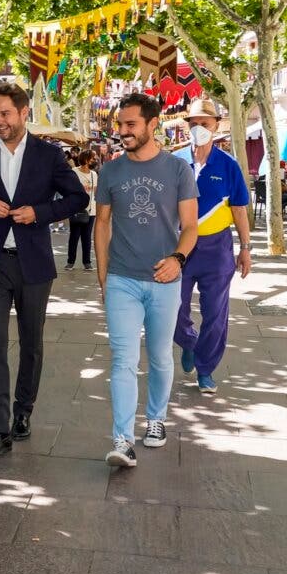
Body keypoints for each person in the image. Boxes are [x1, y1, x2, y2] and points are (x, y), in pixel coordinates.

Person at [0, 83, 88, 455]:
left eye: (5, 114)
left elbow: (78, 197)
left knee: (32, 343)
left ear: (24, 113)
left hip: (34, 264)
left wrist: (40, 213)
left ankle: (22, 411)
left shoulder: (49, 156)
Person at [96, 93, 198, 468]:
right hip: (122, 278)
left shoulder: (177, 170)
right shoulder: (110, 171)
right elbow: (102, 224)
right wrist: (104, 277)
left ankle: (155, 420)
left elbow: (190, 227)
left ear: (152, 124)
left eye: (130, 125)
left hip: (164, 279)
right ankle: (122, 440)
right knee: (122, 360)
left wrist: (178, 258)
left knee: (158, 357)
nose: (122, 131)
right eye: (120, 124)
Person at [172, 98, 252, 395]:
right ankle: (189, 343)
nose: (199, 129)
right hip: (178, 247)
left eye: (205, 124)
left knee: (216, 312)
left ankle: (206, 370)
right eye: (194, 124)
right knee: (172, 308)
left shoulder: (229, 166)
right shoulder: (175, 161)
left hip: (217, 247)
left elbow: (240, 210)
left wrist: (245, 248)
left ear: (216, 126)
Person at [66, 150, 99, 271]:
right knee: (74, 236)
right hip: (76, 209)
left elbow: (95, 192)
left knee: (86, 237)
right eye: (92, 158)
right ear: (85, 159)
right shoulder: (74, 172)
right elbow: (68, 189)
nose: (94, 161)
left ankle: (87, 262)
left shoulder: (94, 174)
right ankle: (70, 261)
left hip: (91, 210)